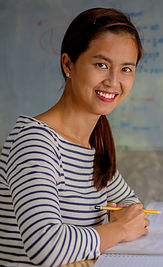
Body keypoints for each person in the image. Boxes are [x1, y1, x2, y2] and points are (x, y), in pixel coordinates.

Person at [0, 7, 149, 266]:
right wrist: (119, 230)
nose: (114, 81)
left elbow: (132, 207)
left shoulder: (92, 145)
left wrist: (120, 222)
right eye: (101, 65)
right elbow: (46, 247)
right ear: (68, 64)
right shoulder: (35, 143)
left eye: (126, 69)